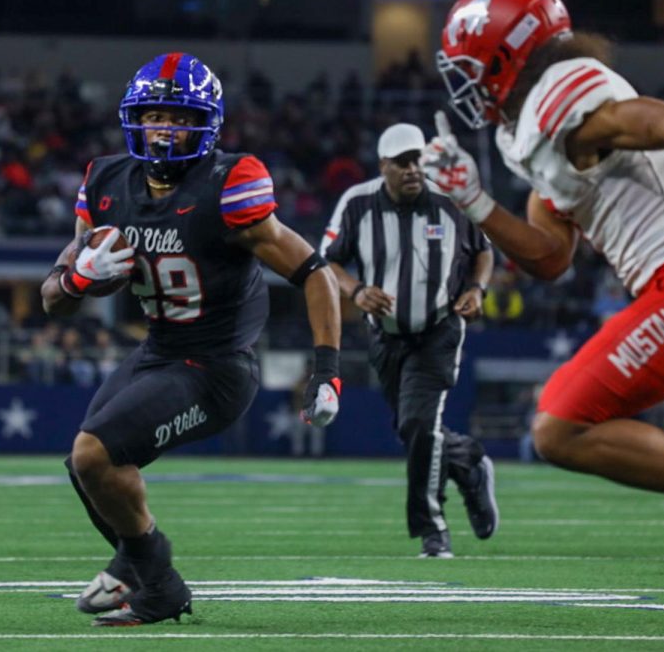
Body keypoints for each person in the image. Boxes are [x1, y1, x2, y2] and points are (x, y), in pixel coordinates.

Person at [421, 0, 664, 607]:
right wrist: (473, 201)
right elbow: (549, 255)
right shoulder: (538, 137)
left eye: (474, 68)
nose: (467, 86)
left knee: (560, 427)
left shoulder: (567, 110)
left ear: (507, 59)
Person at [41, 52, 341, 627]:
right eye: (154, 115)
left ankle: (154, 578)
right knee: (85, 467)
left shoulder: (231, 183)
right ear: (135, 118)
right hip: (158, 351)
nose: (164, 128)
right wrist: (79, 277)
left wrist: (326, 367)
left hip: (218, 365)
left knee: (94, 453)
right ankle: (149, 577)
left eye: (179, 117)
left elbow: (314, 272)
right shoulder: (105, 182)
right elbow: (54, 296)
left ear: (205, 123)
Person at [320, 122, 497, 558]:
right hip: (386, 335)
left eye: (417, 160)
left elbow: (484, 249)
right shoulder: (358, 203)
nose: (413, 169)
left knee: (419, 426)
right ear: (384, 166)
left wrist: (477, 289)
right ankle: (469, 461)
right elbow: (327, 262)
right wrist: (357, 291)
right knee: (415, 430)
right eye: (402, 162)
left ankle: (432, 530)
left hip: (439, 327)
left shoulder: (450, 200)